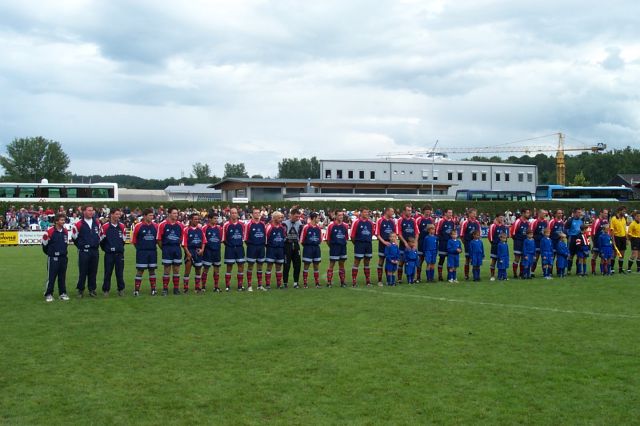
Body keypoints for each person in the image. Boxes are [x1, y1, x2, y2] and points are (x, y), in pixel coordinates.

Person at [71, 205, 101, 298]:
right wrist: (81, 246)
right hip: (84, 251)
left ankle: (92, 289)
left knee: (93, 271)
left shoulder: (97, 223)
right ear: (84, 212)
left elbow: (100, 235)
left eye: (92, 210)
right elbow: (74, 238)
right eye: (89, 210)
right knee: (83, 271)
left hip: (94, 251)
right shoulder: (78, 224)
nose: (91, 212)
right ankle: (80, 290)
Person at [42, 213, 70, 302]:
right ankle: (48, 294)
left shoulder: (65, 231)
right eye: (61, 220)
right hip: (53, 258)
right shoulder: (49, 231)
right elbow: (44, 245)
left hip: (63, 257)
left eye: (64, 220)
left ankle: (62, 293)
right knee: (51, 277)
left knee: (62, 276)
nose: (63, 222)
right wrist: (51, 253)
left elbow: (66, 244)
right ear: (56, 221)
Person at [157, 207, 185, 296]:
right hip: (167, 249)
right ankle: (165, 289)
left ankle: (176, 289)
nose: (176, 215)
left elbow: (182, 238)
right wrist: (164, 248)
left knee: (177, 270)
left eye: (177, 213)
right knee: (167, 270)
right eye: (174, 213)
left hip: (177, 248)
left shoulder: (180, 225)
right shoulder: (162, 224)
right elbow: (159, 239)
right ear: (169, 214)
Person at [131, 208, 158, 296]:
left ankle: (153, 289)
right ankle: (136, 290)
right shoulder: (138, 226)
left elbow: (158, 239)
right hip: (142, 252)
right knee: (140, 270)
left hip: (152, 252)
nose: (152, 217)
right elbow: (134, 241)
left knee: (152, 270)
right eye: (150, 215)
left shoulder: (155, 226)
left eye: (152, 215)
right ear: (144, 216)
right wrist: (140, 249)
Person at [100, 208, 126, 296]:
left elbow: (123, 240)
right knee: (108, 272)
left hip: (119, 254)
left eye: (119, 214)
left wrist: (119, 248)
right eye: (116, 214)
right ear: (111, 214)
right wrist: (107, 249)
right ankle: (106, 290)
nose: (118, 216)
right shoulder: (105, 226)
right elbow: (101, 241)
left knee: (120, 273)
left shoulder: (122, 226)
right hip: (109, 254)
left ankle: (121, 289)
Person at [222, 207, 246, 291]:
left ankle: (240, 285)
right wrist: (230, 245)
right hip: (230, 248)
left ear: (237, 214)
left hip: (239, 248)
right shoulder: (226, 224)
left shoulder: (242, 224)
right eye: (232, 213)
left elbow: (244, 236)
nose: (234, 214)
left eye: (235, 213)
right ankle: (227, 286)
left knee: (241, 266)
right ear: (230, 214)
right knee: (229, 267)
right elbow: (223, 239)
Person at [350, 207, 374, 287]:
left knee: (367, 262)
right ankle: (354, 281)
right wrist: (357, 244)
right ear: (361, 213)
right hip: (359, 244)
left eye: (367, 212)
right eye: (365, 212)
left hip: (368, 244)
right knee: (357, 262)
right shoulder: (356, 222)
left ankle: (368, 281)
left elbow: (372, 234)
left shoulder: (370, 223)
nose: (366, 214)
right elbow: (352, 236)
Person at [244, 207, 266, 292]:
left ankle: (260, 285)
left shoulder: (263, 224)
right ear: (252, 214)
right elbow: (245, 238)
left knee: (260, 266)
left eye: (258, 213)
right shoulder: (248, 224)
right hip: (252, 247)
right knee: (250, 266)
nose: (257, 214)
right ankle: (249, 285)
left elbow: (265, 236)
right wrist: (251, 245)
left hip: (261, 247)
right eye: (255, 213)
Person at [326, 210, 350, 287]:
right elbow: (327, 239)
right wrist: (332, 246)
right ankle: (329, 282)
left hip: (343, 247)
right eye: (339, 215)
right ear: (335, 216)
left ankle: (342, 282)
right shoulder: (331, 225)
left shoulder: (345, 225)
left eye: (342, 215)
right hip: (334, 247)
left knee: (342, 264)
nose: (341, 217)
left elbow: (346, 237)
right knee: (332, 264)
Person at [182, 213, 205, 294]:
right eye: (195, 219)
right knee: (187, 270)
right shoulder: (186, 229)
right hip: (190, 251)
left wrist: (202, 250)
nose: (197, 220)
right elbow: (184, 244)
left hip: (198, 252)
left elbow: (204, 241)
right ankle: (185, 288)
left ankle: (197, 287)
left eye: (198, 219)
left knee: (198, 270)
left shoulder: (200, 230)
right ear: (191, 220)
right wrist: (188, 253)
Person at [396, 204, 419, 283]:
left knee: (413, 261)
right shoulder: (400, 220)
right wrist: (405, 243)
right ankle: (399, 279)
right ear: (404, 211)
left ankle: (413, 278)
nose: (410, 212)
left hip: (412, 246)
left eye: (410, 210)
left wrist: (415, 243)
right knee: (401, 262)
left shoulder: (413, 220)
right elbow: (399, 233)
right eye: (408, 210)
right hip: (403, 246)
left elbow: (416, 233)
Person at [300, 212, 323, 289]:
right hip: (308, 248)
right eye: (318, 218)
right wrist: (307, 246)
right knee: (306, 265)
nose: (319, 219)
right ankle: (305, 283)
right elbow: (302, 240)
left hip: (316, 248)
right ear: (314, 218)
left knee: (316, 266)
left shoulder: (318, 228)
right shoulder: (306, 227)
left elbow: (320, 240)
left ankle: (317, 283)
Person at [201, 213, 223, 292]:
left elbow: (220, 239)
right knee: (206, 268)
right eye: (214, 218)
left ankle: (216, 286)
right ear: (209, 219)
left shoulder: (219, 228)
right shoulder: (204, 228)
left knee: (217, 269)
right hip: (208, 251)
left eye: (217, 218)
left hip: (217, 251)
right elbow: (202, 240)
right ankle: (203, 287)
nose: (216, 220)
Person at [265, 211, 287, 289]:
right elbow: (266, 239)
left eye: (281, 217)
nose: (281, 219)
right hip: (271, 249)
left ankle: (279, 284)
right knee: (269, 267)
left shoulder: (282, 227)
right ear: (274, 218)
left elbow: (284, 237)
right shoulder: (269, 227)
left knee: (279, 267)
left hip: (280, 249)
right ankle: (267, 284)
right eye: (279, 217)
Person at [282, 208, 303, 288]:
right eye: (296, 216)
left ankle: (296, 283)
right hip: (287, 245)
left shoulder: (299, 223)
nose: (297, 218)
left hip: (296, 245)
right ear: (291, 215)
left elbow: (300, 234)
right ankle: (285, 283)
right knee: (286, 265)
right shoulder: (284, 223)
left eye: (298, 217)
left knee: (297, 264)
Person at [376, 207, 396, 285]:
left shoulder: (392, 221)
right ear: (387, 212)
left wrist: (395, 242)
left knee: (390, 262)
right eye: (392, 211)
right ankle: (380, 281)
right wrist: (384, 241)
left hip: (391, 245)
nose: (393, 213)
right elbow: (377, 234)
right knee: (381, 261)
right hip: (382, 244)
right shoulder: (380, 220)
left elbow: (394, 233)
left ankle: (389, 280)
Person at [460, 208, 481, 280]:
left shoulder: (477, 222)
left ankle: (475, 275)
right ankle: (466, 275)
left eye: (475, 213)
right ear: (469, 214)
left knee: (475, 259)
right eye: (473, 213)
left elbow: (479, 233)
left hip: (475, 244)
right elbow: (462, 235)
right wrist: (465, 243)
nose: (475, 215)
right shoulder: (465, 222)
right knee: (467, 259)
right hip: (468, 243)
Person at [436, 209, 456, 281]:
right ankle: (440, 275)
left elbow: (453, 232)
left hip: (450, 244)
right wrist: (441, 240)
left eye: (451, 212)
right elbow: (437, 232)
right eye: (449, 212)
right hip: (443, 244)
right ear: (445, 213)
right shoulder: (441, 221)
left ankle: (449, 276)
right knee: (442, 259)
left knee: (450, 260)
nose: (451, 214)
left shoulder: (452, 222)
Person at [488, 212, 509, 281]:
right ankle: (492, 276)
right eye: (500, 217)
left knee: (502, 260)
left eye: (503, 217)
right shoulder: (493, 226)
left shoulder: (503, 226)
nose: (502, 218)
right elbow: (490, 237)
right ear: (496, 218)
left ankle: (502, 275)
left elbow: (505, 236)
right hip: (495, 246)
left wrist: (504, 244)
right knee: (494, 261)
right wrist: (494, 245)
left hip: (502, 247)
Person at [510, 208, 531, 279]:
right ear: (523, 213)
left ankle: (521, 273)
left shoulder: (528, 222)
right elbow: (512, 233)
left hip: (526, 243)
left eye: (529, 213)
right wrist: (517, 240)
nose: (528, 214)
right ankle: (515, 274)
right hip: (518, 243)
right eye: (527, 213)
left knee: (523, 259)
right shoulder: (518, 221)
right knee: (517, 259)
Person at [416, 205, 434, 282]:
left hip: (429, 244)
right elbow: (416, 232)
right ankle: (418, 277)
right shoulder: (419, 219)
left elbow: (433, 232)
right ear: (423, 211)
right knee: (420, 260)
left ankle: (429, 278)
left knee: (429, 261)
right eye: (426, 210)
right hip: (421, 243)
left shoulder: (431, 220)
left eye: (429, 210)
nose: (428, 211)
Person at [564, 208, 584, 274]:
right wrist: (568, 236)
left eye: (580, 212)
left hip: (579, 239)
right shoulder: (570, 221)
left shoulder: (581, 221)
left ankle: (578, 271)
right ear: (574, 213)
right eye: (578, 212)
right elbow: (565, 229)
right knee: (571, 255)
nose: (580, 214)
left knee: (579, 255)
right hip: (572, 238)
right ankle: (569, 270)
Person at [590, 209, 609, 275]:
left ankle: (603, 271)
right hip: (597, 243)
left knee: (603, 257)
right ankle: (593, 271)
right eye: (605, 213)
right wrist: (594, 243)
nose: (606, 215)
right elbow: (593, 233)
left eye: (607, 213)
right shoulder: (597, 221)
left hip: (604, 243)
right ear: (601, 213)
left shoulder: (606, 221)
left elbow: (607, 232)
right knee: (595, 256)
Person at [610, 206, 628, 274]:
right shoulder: (614, 219)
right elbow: (612, 230)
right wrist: (613, 240)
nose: (624, 213)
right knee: (614, 254)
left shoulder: (624, 218)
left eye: (625, 211)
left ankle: (620, 269)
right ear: (619, 211)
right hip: (616, 237)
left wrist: (626, 239)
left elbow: (625, 229)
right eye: (623, 211)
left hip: (623, 238)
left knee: (622, 254)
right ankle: (612, 269)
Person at [530, 209, 548, 275]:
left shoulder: (546, 222)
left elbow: (547, 231)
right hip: (536, 243)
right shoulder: (535, 222)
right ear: (539, 214)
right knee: (535, 258)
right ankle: (532, 272)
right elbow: (531, 232)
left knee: (544, 258)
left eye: (545, 214)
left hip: (544, 244)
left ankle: (545, 272)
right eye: (543, 213)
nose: (545, 215)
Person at [548, 209, 565, 274]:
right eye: (559, 213)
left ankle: (559, 272)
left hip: (559, 243)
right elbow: (548, 231)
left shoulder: (562, 222)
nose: (560, 214)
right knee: (552, 258)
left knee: (559, 258)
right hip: (552, 242)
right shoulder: (552, 221)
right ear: (555, 214)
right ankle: (550, 272)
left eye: (561, 213)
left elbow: (563, 232)